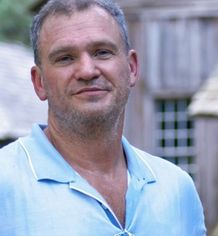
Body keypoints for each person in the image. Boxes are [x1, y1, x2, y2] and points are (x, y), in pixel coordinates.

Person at [0, 0, 206, 235]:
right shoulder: (5, 182)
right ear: (39, 82)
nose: (87, 71)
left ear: (132, 68)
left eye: (102, 52)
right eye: (65, 58)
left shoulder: (177, 190)